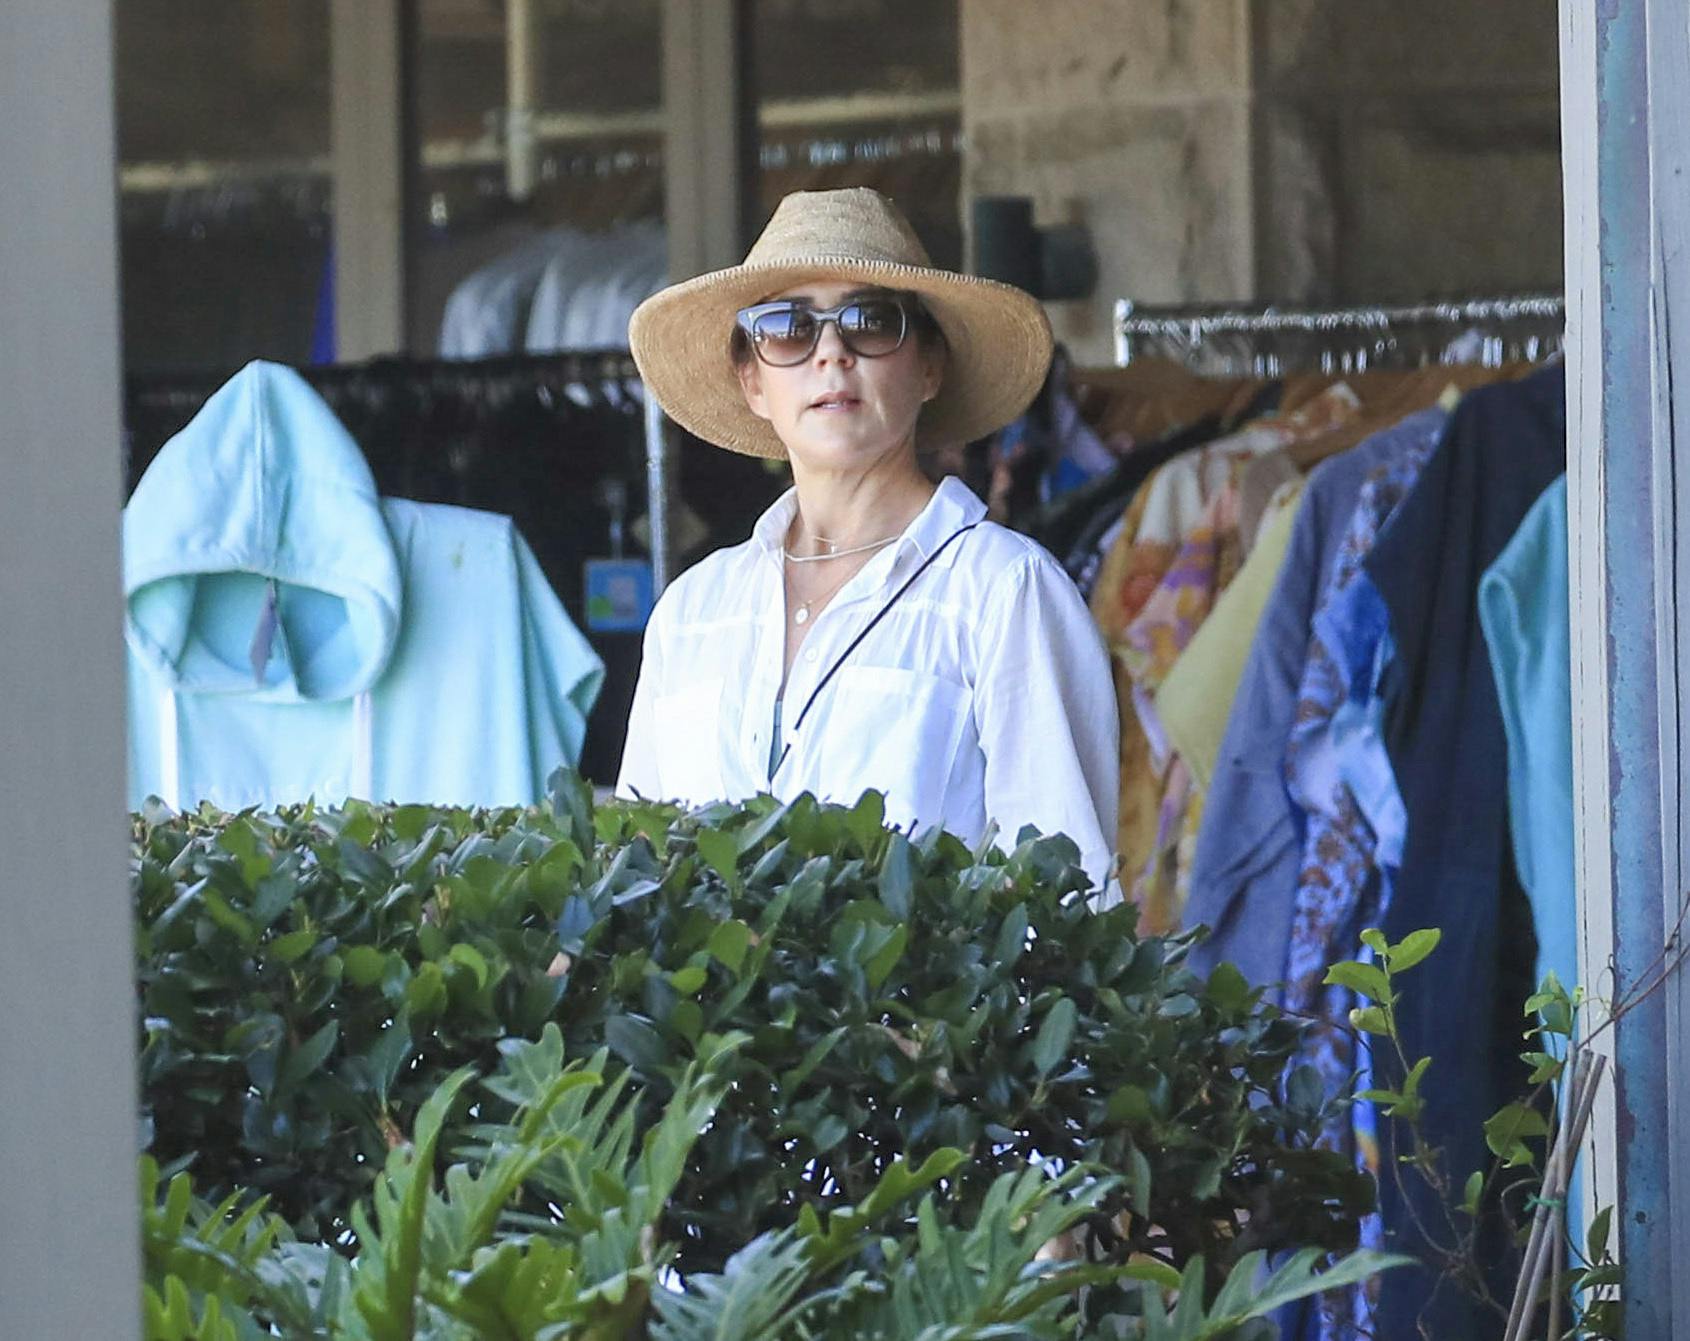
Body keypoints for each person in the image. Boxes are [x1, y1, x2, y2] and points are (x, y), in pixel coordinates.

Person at [619, 187, 1119, 890]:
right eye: (788, 327)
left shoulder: (1004, 592)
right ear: (752, 379)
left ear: (930, 367)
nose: (831, 353)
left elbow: (1070, 903)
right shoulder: (693, 611)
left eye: (871, 320)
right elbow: (639, 881)